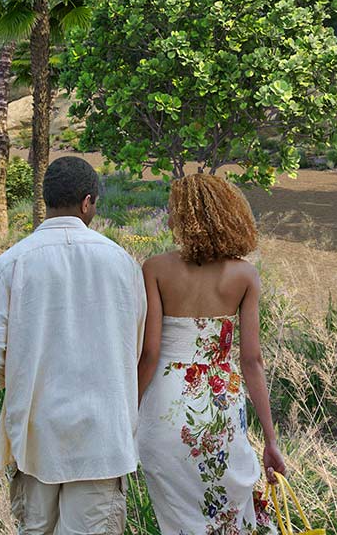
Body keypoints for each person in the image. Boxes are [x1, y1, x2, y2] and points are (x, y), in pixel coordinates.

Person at [0, 156, 146, 535]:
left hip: (36, 431)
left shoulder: (12, 261)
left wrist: (8, 379)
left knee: (35, 529)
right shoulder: (122, 263)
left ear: (47, 199)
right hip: (102, 435)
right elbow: (135, 343)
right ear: (87, 202)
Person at [136, 174, 283, 533]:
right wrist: (270, 439)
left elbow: (151, 352)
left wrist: (127, 410)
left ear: (187, 217)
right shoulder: (244, 275)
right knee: (226, 513)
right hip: (221, 405)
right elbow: (252, 361)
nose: (169, 217)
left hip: (166, 407)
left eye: (173, 210)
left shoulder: (155, 268)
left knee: (179, 518)